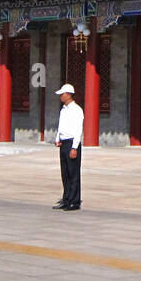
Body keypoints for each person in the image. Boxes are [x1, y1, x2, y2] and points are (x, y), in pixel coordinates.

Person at [53, 83, 84, 211]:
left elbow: (78, 130)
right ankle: (66, 199)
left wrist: (74, 147)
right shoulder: (63, 109)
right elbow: (61, 126)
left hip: (72, 143)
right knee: (65, 173)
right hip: (64, 143)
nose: (61, 96)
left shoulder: (77, 110)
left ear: (69, 95)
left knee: (73, 173)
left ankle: (74, 201)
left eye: (63, 94)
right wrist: (57, 138)